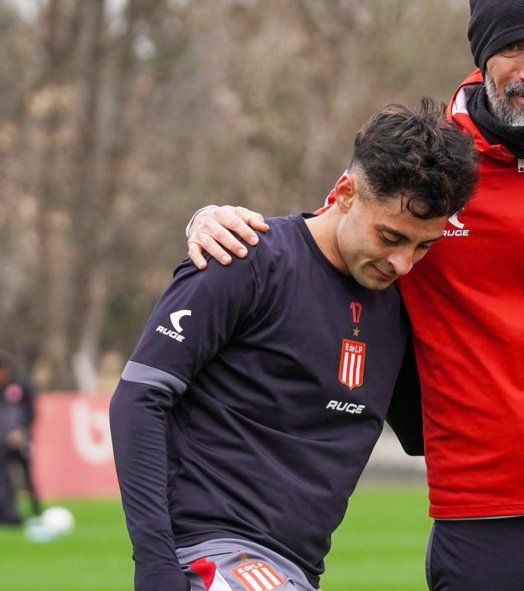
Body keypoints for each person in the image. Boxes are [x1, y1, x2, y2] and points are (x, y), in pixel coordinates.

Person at [185, 2, 524, 590]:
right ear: (480, 52)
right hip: (475, 519)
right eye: (513, 48)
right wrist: (217, 220)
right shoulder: (426, 166)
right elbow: (324, 248)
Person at [110, 100, 477, 591]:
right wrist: (154, 568)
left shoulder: (400, 307)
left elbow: (427, 431)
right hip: (209, 548)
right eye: (390, 236)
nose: (403, 262)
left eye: (423, 246)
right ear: (345, 193)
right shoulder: (244, 258)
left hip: (293, 570)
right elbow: (138, 398)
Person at [0, 352, 42, 525]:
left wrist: (24, 432)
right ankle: (9, 515)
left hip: (22, 440)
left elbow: (30, 411)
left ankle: (37, 512)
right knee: (4, 479)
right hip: (3, 443)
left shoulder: (22, 384)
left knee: (27, 476)